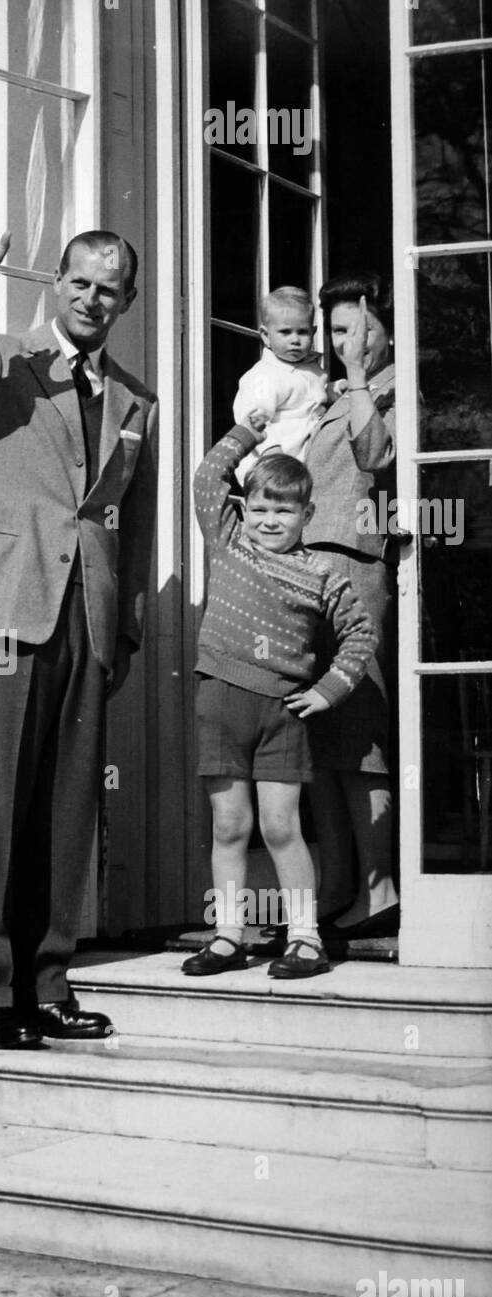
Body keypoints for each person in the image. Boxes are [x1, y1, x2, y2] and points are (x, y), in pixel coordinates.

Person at [0, 198, 158, 1049]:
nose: (90, 298)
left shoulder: (136, 400)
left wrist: (122, 626)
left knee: (65, 809)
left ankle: (47, 981)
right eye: (78, 282)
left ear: (125, 302)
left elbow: (136, 519)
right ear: (55, 283)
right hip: (0, 610)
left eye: (108, 290)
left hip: (84, 618)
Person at [186, 418, 376, 979]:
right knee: (229, 826)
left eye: (285, 511)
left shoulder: (321, 574)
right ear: (246, 510)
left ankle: (305, 939)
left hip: (282, 713)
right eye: (261, 508)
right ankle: (227, 935)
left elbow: (360, 636)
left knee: (280, 826)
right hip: (220, 700)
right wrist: (249, 431)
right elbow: (206, 477)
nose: (271, 520)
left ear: (307, 516)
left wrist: (326, 692)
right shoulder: (228, 542)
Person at [303, 273, 398, 934]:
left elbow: (378, 453)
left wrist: (361, 375)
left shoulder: (388, 386)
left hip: (355, 565)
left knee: (359, 734)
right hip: (313, 565)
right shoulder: (335, 394)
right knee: (323, 740)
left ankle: (380, 887)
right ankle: (340, 886)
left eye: (353, 328)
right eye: (334, 332)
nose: (343, 344)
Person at [232, 286, 329, 468]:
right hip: (273, 464)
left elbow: (318, 394)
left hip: (306, 462)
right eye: (285, 332)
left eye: (302, 332)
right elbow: (254, 418)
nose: (295, 340)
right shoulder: (264, 376)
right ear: (266, 336)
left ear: (313, 333)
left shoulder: (313, 369)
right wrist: (271, 451)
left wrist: (334, 389)